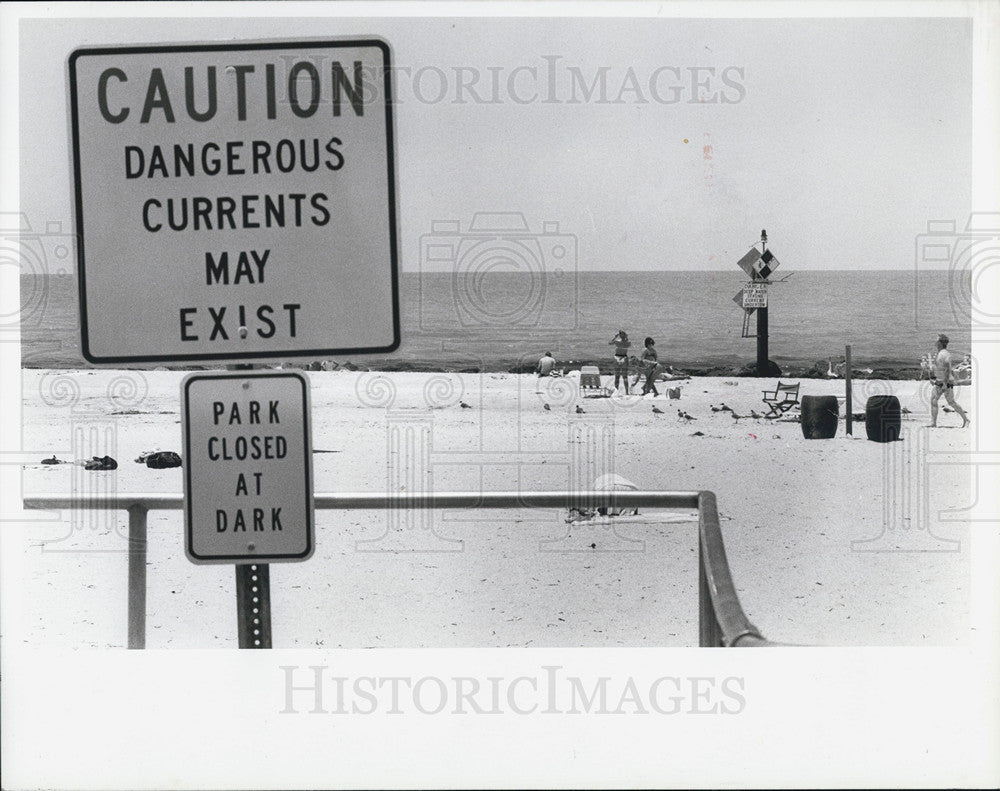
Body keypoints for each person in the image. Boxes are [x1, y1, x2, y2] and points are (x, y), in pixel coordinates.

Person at [929, 334, 970, 427]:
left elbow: (947, 369)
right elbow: (941, 369)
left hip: (945, 382)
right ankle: (933, 423)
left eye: (936, 340)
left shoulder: (944, 354)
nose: (935, 342)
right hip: (940, 381)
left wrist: (944, 383)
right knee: (935, 400)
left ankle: (966, 419)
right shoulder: (941, 353)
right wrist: (934, 379)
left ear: (940, 343)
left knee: (951, 402)